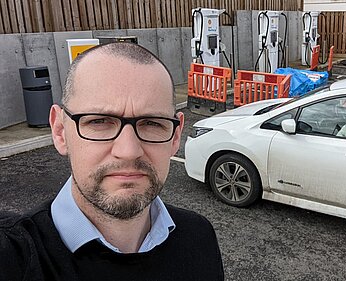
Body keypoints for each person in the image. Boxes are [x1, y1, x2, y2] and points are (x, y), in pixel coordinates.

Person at [0, 42, 224, 280]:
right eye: (98, 122)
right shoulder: (12, 257)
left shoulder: (199, 237)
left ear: (175, 137)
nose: (128, 151)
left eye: (152, 123)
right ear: (59, 131)